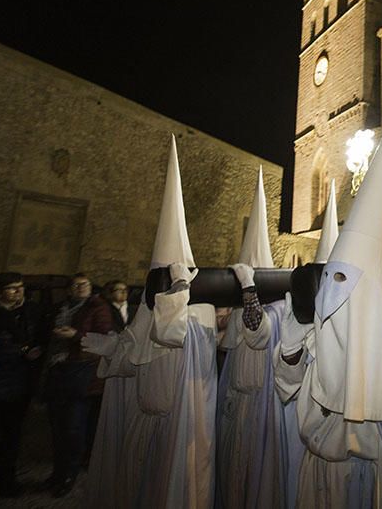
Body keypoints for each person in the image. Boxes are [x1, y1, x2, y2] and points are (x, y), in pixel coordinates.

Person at [274, 90, 382, 507]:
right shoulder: (322, 330)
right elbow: (287, 386)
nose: (332, 291)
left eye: (342, 280)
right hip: (318, 474)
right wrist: (294, 339)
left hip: (370, 483)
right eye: (329, 281)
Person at [121, 135, 218, 509]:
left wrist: (180, 287)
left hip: (179, 425)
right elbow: (132, 350)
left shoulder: (197, 312)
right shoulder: (148, 309)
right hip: (145, 422)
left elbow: (171, 332)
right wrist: (109, 346)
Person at [216, 167, 304, 509]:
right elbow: (230, 343)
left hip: (262, 407)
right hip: (237, 403)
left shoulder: (278, 309)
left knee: (257, 478)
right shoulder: (241, 309)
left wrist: (250, 288)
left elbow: (257, 333)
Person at [0, 273, 46, 502]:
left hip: (19, 383)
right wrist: (21, 352)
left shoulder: (31, 310)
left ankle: (6, 482)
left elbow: (39, 336)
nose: (18, 292)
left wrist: (36, 351)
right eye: (12, 288)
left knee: (11, 436)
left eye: (20, 287)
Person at [44, 273, 113, 497]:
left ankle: (69, 475)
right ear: (69, 290)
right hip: (58, 368)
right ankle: (57, 471)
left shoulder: (98, 307)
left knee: (74, 427)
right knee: (57, 426)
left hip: (81, 371)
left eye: (85, 284)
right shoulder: (60, 307)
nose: (81, 287)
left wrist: (75, 335)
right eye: (76, 285)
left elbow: (103, 336)